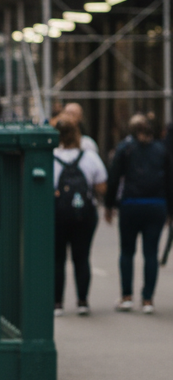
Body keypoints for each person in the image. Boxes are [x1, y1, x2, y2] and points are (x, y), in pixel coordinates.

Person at [105, 114, 173, 313]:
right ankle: (148, 300)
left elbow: (114, 177)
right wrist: (170, 209)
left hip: (130, 204)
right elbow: (170, 181)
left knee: (127, 251)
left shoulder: (125, 148)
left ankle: (126, 296)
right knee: (150, 253)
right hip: (156, 205)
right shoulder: (162, 150)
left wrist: (109, 205)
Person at [53, 115, 107, 315]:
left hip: (58, 213)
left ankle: (57, 303)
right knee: (82, 258)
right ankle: (82, 301)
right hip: (84, 214)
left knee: (58, 258)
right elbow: (101, 186)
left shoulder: (50, 156)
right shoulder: (89, 157)